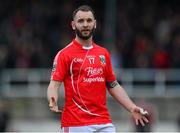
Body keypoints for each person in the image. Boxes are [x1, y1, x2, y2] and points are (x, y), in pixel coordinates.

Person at [47, 5, 149, 132]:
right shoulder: (64, 54)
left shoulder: (103, 53)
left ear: (95, 24)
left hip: (103, 122)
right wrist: (52, 100)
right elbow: (54, 84)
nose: (85, 24)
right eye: (81, 21)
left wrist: (132, 107)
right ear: (73, 25)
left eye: (89, 21)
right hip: (76, 123)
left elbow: (113, 85)